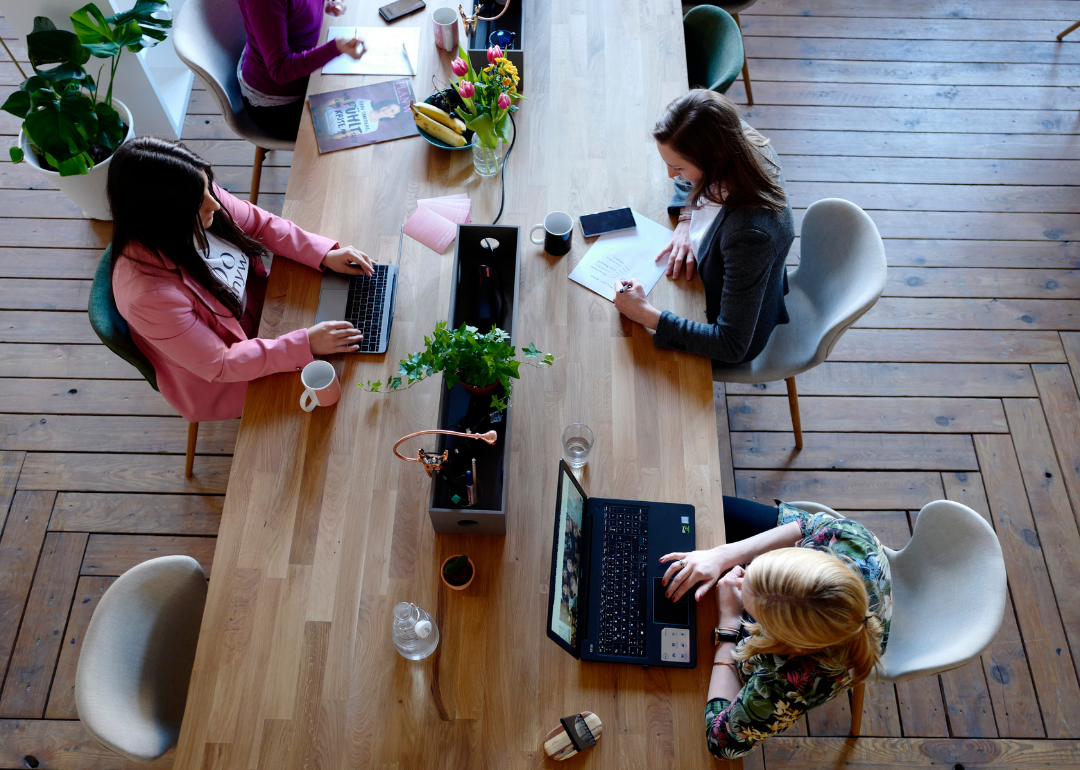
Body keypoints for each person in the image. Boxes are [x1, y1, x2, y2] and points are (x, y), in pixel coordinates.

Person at [108, 137, 374, 423]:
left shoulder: (194, 197)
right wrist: (305, 343)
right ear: (163, 216)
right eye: (201, 200)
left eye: (209, 187)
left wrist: (323, 254)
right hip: (226, 376)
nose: (216, 203)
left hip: (264, 314)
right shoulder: (148, 297)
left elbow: (260, 224)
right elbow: (221, 363)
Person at [659, 498, 891, 759]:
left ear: (788, 643)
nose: (740, 575)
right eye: (755, 569)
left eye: (753, 610)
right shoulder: (850, 537)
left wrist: (729, 623)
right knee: (705, 507)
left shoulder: (789, 681)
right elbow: (804, 524)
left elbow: (721, 743)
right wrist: (720, 555)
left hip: (808, 660)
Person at [613, 90, 795, 365]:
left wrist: (646, 314)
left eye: (679, 167)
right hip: (713, 281)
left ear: (715, 158)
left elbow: (732, 345)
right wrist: (686, 219)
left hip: (727, 329)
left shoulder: (750, 236)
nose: (671, 175)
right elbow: (688, 180)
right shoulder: (731, 136)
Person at [236, 0, 365, 140]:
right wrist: (334, 48)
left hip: (310, 72)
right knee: (358, 136)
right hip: (280, 106)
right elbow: (280, 71)